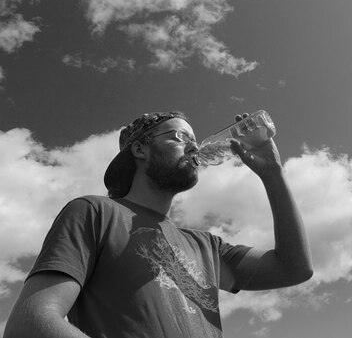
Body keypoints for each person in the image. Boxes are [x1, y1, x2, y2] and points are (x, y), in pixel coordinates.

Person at [4, 111, 313, 338]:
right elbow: (30, 324)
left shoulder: (207, 246)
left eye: (195, 140)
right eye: (180, 138)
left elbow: (294, 268)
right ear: (140, 149)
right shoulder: (95, 212)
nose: (194, 148)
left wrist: (273, 172)